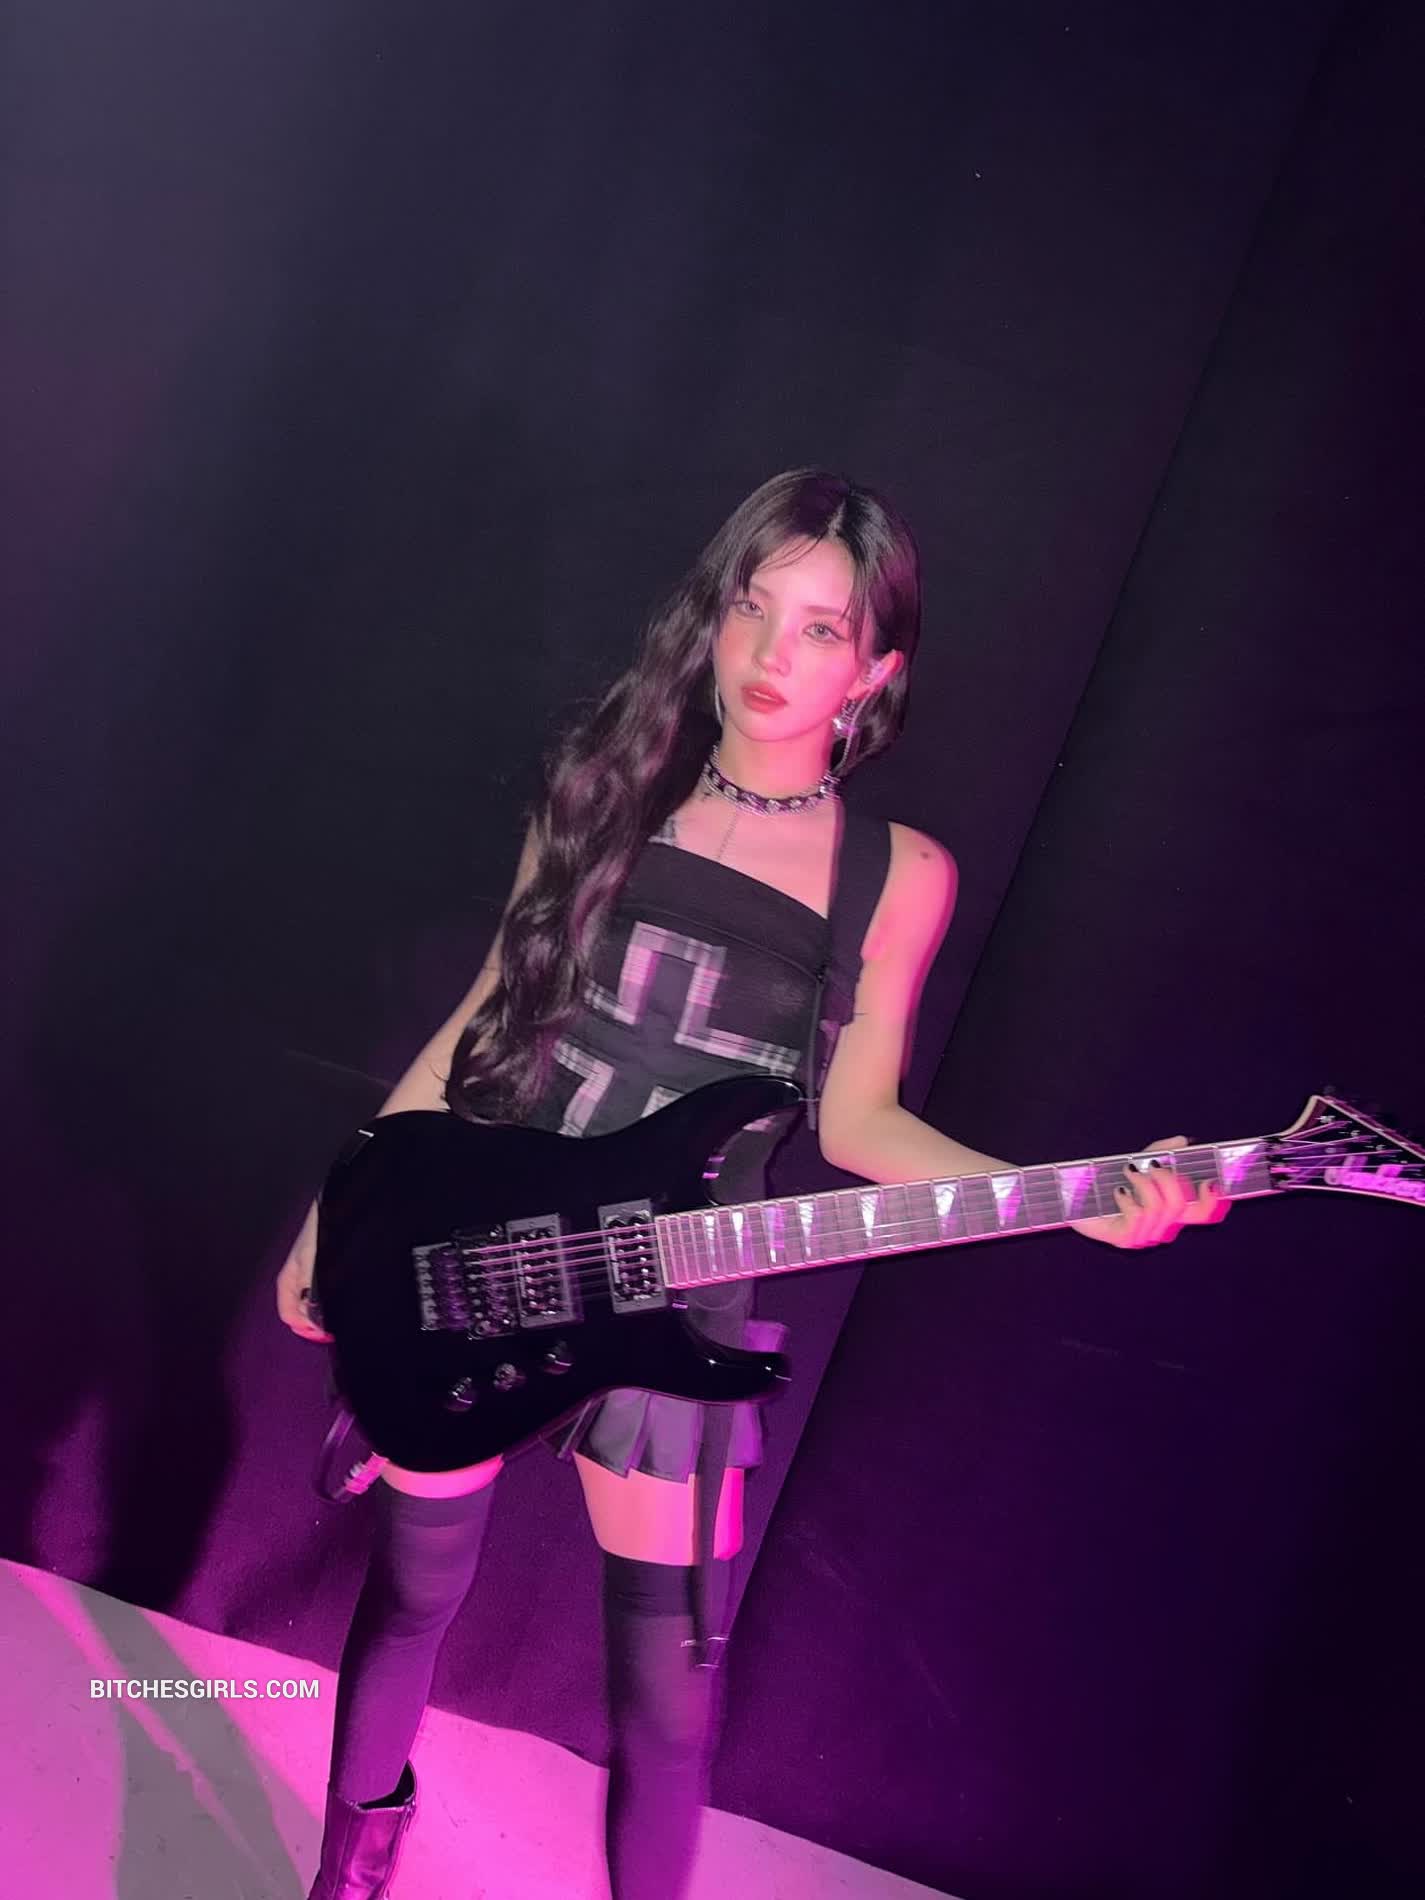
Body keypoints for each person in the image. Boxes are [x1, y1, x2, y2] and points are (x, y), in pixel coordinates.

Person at [276, 467, 1229, 1900]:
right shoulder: (605, 788)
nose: (772, 656)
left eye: (822, 629)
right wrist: (335, 1208)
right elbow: (484, 1019)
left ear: (875, 671)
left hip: (676, 1296)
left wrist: (1076, 1194)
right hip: (475, 1245)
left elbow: (861, 1121)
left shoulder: (892, 874)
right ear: (711, 612)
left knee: (668, 1701)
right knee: (412, 1588)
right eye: (751, 607)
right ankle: (351, 1861)